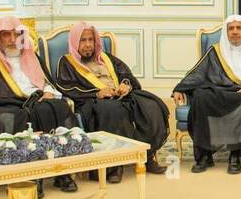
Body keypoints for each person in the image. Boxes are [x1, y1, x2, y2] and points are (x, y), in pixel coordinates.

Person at [0, 16, 78, 195]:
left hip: (35, 100)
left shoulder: (30, 54)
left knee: (56, 107)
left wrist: (48, 91)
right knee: (14, 117)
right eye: (6, 35)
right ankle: (25, 178)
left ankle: (62, 172)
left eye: (16, 35)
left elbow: (46, 81)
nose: (11, 40)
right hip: (2, 105)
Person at [55, 21, 169, 182]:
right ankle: (115, 165)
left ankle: (147, 156)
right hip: (93, 102)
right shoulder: (66, 62)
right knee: (113, 110)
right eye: (83, 40)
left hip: (120, 97)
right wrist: (97, 93)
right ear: (75, 42)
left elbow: (128, 76)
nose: (88, 45)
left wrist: (125, 85)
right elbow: (65, 87)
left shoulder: (106, 58)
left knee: (151, 105)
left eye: (91, 40)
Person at [172, 15, 241, 175]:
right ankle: (205, 155)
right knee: (200, 97)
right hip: (219, 91)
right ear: (226, 32)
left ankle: (235, 155)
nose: (235, 32)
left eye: (238, 28)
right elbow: (198, 72)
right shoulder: (216, 51)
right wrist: (180, 88)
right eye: (231, 28)